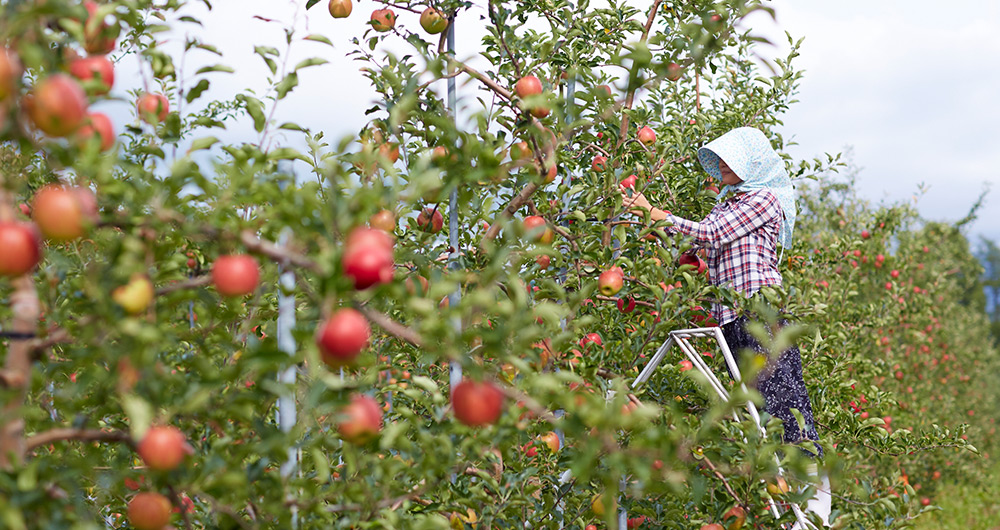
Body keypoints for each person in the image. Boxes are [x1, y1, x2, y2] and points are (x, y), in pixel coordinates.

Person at [620, 127, 830, 527]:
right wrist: (648, 224)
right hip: (730, 318)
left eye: (730, 157)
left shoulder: (764, 199)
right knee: (758, 411)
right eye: (719, 158)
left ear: (751, 161)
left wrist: (656, 212)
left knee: (783, 400)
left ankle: (813, 500)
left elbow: (712, 235)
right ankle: (785, 505)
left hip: (760, 311)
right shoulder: (726, 204)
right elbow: (698, 244)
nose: (721, 166)